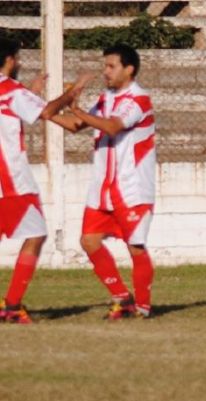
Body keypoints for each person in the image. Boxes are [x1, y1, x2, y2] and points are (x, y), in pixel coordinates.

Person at [57, 44, 156, 320]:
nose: (105, 72)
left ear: (129, 69)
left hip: (131, 188)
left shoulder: (139, 100)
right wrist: (47, 112)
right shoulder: (106, 98)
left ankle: (143, 308)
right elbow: (78, 125)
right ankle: (123, 299)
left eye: (111, 66)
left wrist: (76, 109)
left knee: (135, 247)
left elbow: (112, 126)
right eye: (105, 66)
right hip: (103, 188)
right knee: (89, 241)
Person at [0, 38, 91, 324]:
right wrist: (72, 92)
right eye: (17, 58)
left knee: (34, 234)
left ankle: (12, 305)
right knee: (37, 235)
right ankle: (12, 306)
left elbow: (31, 111)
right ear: (10, 59)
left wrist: (33, 94)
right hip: (11, 181)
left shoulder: (13, 93)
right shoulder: (11, 89)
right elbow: (49, 112)